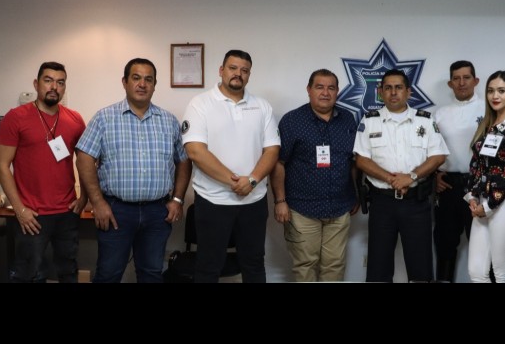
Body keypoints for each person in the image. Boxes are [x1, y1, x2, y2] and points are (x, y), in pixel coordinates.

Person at [75, 58, 191, 283]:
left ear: (155, 85)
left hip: (157, 213)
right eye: (136, 78)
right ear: (124, 82)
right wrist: (97, 202)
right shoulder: (104, 118)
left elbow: (184, 161)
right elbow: (84, 158)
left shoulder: (168, 121)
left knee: (151, 274)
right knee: (108, 275)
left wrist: (177, 199)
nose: (142, 84)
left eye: (148, 79)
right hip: (115, 211)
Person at [181, 50, 280, 283]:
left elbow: (272, 150)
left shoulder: (262, 106)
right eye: (233, 68)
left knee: (254, 265)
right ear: (221, 70)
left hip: (253, 201)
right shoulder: (200, 104)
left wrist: (252, 181)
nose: (238, 74)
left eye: (244, 70)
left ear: (249, 75)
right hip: (212, 201)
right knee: (208, 267)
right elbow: (195, 151)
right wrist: (235, 181)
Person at [0, 61, 88, 283]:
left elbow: (85, 162)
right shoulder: (16, 117)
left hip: (67, 212)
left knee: (68, 271)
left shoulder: (75, 119)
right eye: (48, 80)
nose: (54, 87)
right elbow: (1, 166)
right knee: (29, 274)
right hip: (32, 215)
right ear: (36, 84)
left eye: (60, 82)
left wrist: (84, 197)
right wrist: (20, 210)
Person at [354, 69, 449, 282]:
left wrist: (411, 177)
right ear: (380, 92)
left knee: (421, 268)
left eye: (398, 87)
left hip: (416, 203)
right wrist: (392, 179)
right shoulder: (369, 121)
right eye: (388, 88)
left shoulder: (425, 120)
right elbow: (361, 160)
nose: (393, 92)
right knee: (378, 269)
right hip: (382, 203)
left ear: (408, 92)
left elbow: (438, 156)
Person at [270, 69, 359, 282]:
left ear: (337, 91)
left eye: (331, 88)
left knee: (334, 265)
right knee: (305, 265)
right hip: (302, 209)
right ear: (309, 90)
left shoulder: (348, 119)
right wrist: (280, 201)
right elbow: (278, 163)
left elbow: (354, 162)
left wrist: (355, 194)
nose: (325, 93)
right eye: (319, 87)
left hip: (339, 208)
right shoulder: (292, 121)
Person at [466, 70, 505, 283]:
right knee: (476, 271)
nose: (495, 96)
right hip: (481, 202)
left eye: (501, 91)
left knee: (501, 272)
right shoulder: (486, 125)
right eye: (491, 91)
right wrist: (472, 197)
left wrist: (489, 205)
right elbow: (476, 164)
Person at [432, 60, 483, 282]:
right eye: (456, 78)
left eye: (466, 77)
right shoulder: (439, 114)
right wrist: (434, 176)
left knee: (482, 244)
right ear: (450, 83)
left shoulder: (489, 110)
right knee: (444, 244)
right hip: (448, 186)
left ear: (476, 81)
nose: (462, 83)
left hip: (479, 186)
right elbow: (430, 151)